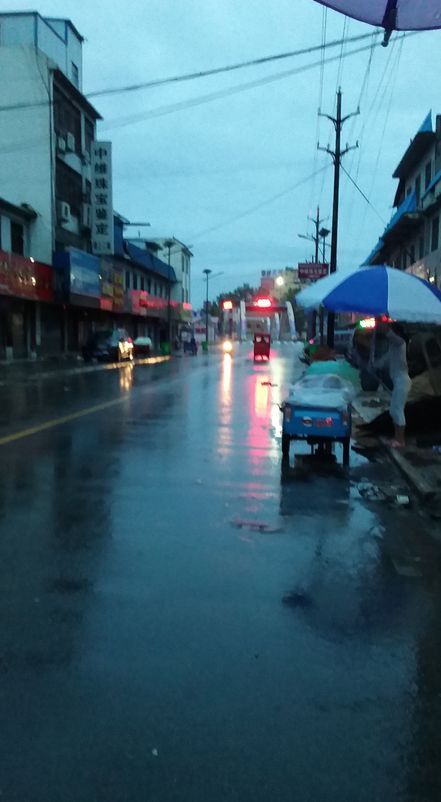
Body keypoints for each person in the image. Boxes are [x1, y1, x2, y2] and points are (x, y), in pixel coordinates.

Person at [373, 321, 411, 447]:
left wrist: (380, 322)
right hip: (398, 382)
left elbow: (389, 334)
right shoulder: (392, 349)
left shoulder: (401, 343)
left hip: (403, 381)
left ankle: (400, 440)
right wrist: (372, 365)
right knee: (393, 411)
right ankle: (396, 438)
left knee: (397, 410)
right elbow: (381, 363)